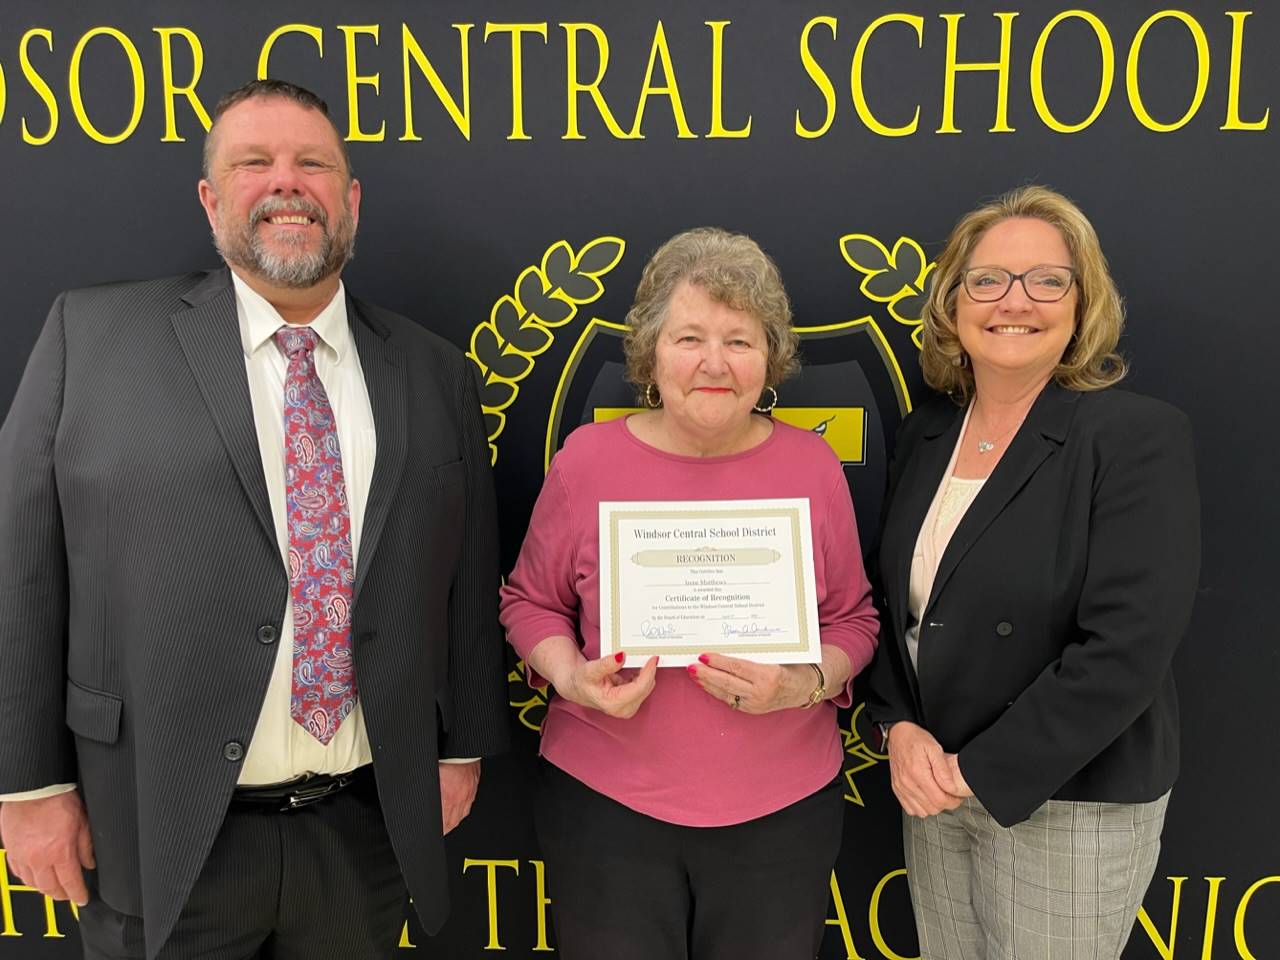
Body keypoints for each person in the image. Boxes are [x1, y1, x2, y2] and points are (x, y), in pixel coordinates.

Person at [0, 79, 508, 959]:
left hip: (361, 835)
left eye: (313, 163)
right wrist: (26, 785)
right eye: (253, 163)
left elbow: (463, 577)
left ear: (350, 200)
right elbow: (21, 569)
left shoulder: (433, 371)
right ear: (210, 199)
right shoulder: (93, 338)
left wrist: (460, 749)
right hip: (155, 832)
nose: (287, 183)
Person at [499, 227, 879, 960]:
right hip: (606, 809)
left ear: (769, 359)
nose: (714, 363)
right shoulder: (588, 462)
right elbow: (528, 603)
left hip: (782, 813)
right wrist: (574, 677)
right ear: (649, 353)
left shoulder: (813, 465)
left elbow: (854, 620)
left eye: (739, 340)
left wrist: (803, 684)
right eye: (689, 337)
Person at [865, 185, 1200, 959]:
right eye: (986, 280)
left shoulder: (1133, 436)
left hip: (1067, 796)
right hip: (935, 788)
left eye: (1047, 280)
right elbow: (898, 604)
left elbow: (1128, 647)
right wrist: (898, 727)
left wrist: (979, 769)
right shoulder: (925, 433)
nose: (1014, 301)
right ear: (953, 304)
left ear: (1083, 305)